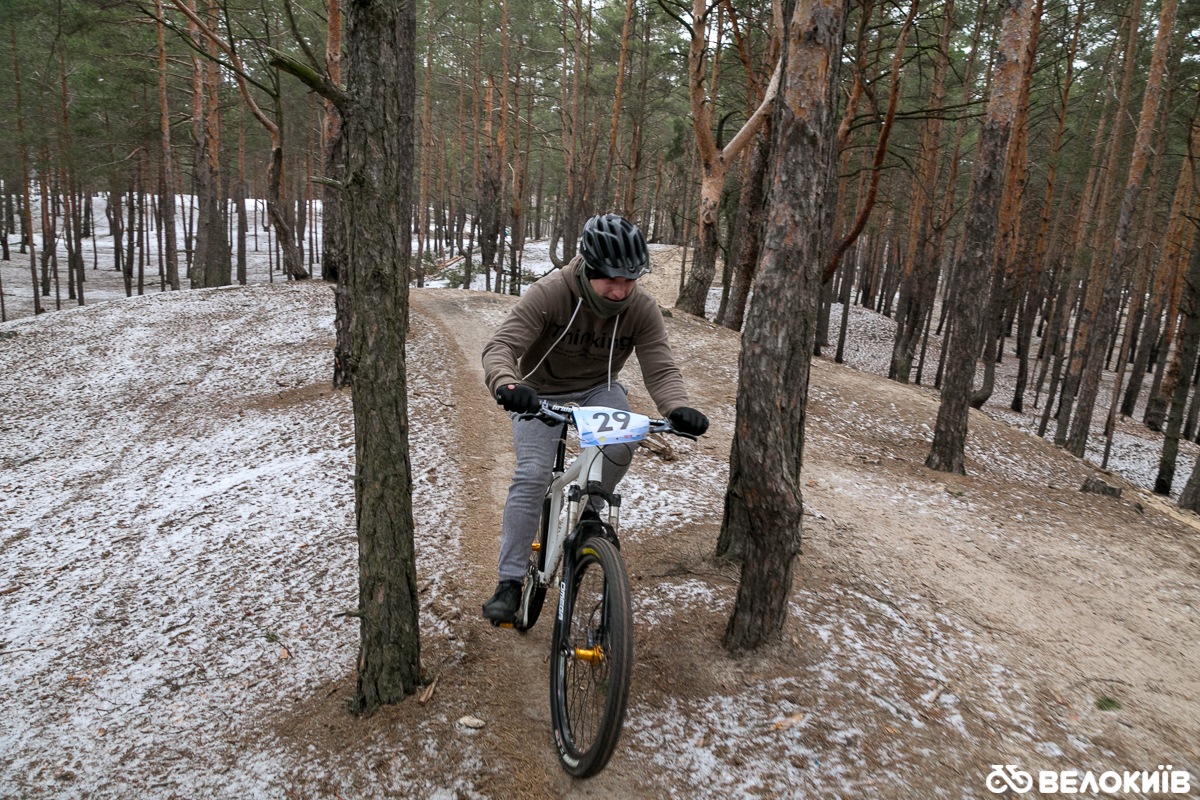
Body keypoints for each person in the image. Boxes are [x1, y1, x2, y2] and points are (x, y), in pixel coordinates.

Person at [480, 213, 709, 624]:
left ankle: (591, 510)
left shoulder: (641, 308)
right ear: (589, 268)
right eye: (611, 280)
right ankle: (509, 581)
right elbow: (501, 346)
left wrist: (676, 407)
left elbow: (660, 367)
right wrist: (507, 384)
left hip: (597, 390)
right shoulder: (550, 293)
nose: (620, 290)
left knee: (624, 439)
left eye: (630, 280)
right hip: (539, 392)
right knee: (532, 475)